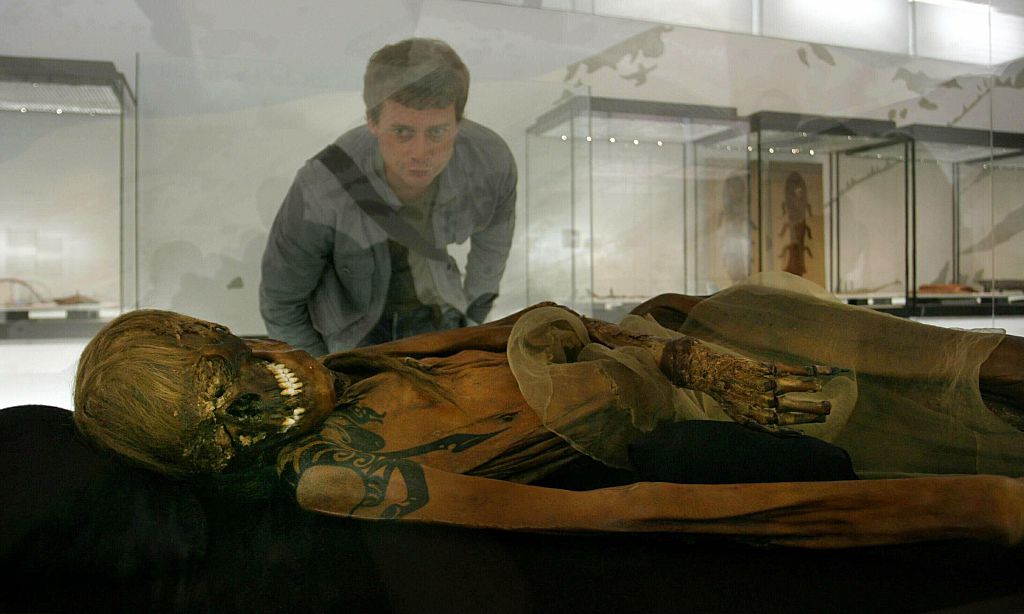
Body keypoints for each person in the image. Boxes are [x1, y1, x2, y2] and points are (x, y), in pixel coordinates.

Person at [75, 275, 1024, 549]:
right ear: (220, 438)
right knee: (897, 401)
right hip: (698, 411)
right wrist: (975, 513)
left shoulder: (343, 367)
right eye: (244, 392)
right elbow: (623, 510)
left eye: (244, 347)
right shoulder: (335, 480)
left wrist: (675, 346)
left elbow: (512, 326)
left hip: (666, 345)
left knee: (925, 349)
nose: (279, 368)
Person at [260, 38, 517, 357]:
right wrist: (323, 372)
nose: (420, 153)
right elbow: (281, 303)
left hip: (442, 321)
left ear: (458, 124)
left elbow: (492, 252)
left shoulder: (489, 163)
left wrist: (473, 324)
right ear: (372, 121)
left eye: (437, 132)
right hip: (355, 336)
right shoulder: (321, 185)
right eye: (402, 132)